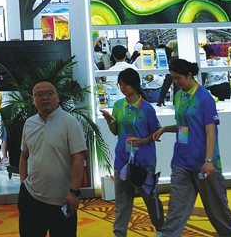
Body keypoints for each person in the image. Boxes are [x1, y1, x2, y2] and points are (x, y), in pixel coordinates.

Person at [151, 59, 231, 237]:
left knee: (217, 210)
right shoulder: (179, 96)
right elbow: (184, 125)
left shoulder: (204, 98)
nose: (176, 82)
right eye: (173, 78)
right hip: (181, 162)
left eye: (179, 78)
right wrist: (165, 129)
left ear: (190, 75)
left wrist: (208, 160)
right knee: (176, 210)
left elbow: (210, 131)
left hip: (205, 165)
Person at [17, 81, 86, 237]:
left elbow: (78, 158)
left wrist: (74, 192)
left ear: (57, 97)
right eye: (39, 94)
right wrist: (23, 185)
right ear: (32, 100)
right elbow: (24, 157)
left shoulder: (70, 122)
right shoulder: (29, 123)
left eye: (49, 93)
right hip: (31, 198)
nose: (45, 97)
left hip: (62, 199)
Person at [101, 69, 164, 237]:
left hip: (144, 161)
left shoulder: (147, 109)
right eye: (120, 84)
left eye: (126, 84)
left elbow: (156, 134)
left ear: (135, 85)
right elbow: (116, 131)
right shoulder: (118, 105)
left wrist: (142, 141)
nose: (122, 88)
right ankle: (119, 233)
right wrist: (109, 122)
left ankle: (159, 229)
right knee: (122, 201)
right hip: (122, 159)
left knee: (150, 198)